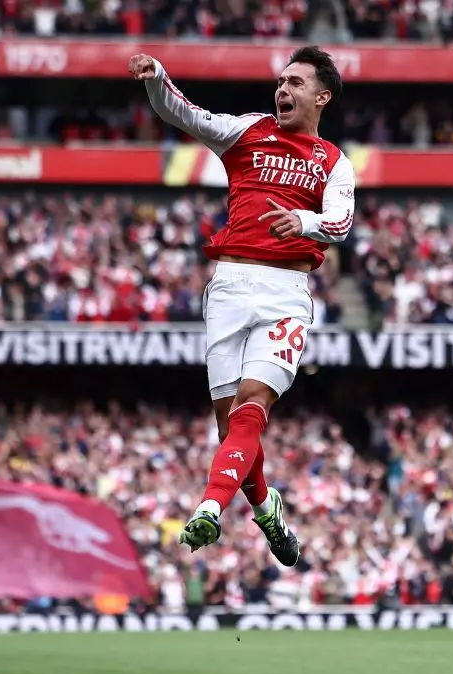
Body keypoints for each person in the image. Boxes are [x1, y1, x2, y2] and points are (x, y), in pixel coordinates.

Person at [129, 46, 356, 566]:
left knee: (253, 407)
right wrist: (157, 77)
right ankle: (265, 504)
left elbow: (341, 224)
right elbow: (184, 114)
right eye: (280, 81)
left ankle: (210, 507)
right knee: (230, 427)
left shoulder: (334, 162)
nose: (283, 89)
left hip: (285, 293)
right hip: (229, 285)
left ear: (322, 96)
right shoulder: (248, 130)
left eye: (296, 83)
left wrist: (303, 222)